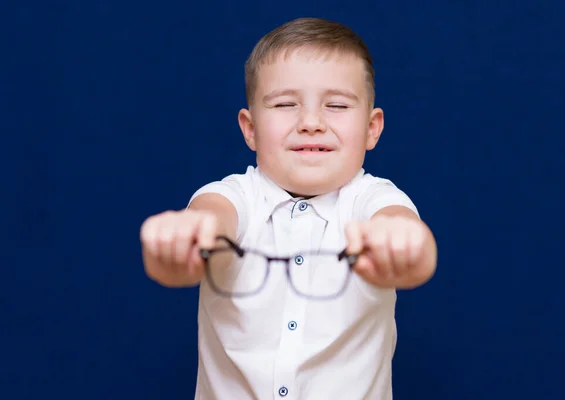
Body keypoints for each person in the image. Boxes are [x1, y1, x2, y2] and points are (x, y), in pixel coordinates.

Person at [140, 17, 438, 400]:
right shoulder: (236, 195)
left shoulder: (374, 200)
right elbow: (212, 220)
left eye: (336, 105)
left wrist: (403, 244)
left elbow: (410, 237)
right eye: (284, 104)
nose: (311, 122)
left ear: (371, 128)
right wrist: (185, 237)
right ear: (250, 129)